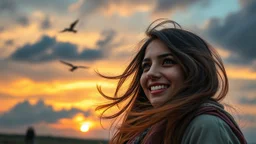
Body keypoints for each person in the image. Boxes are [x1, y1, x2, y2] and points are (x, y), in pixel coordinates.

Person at [95, 18, 247, 144]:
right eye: (146, 66)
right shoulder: (146, 130)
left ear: (195, 68)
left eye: (167, 62)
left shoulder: (206, 126)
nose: (151, 73)